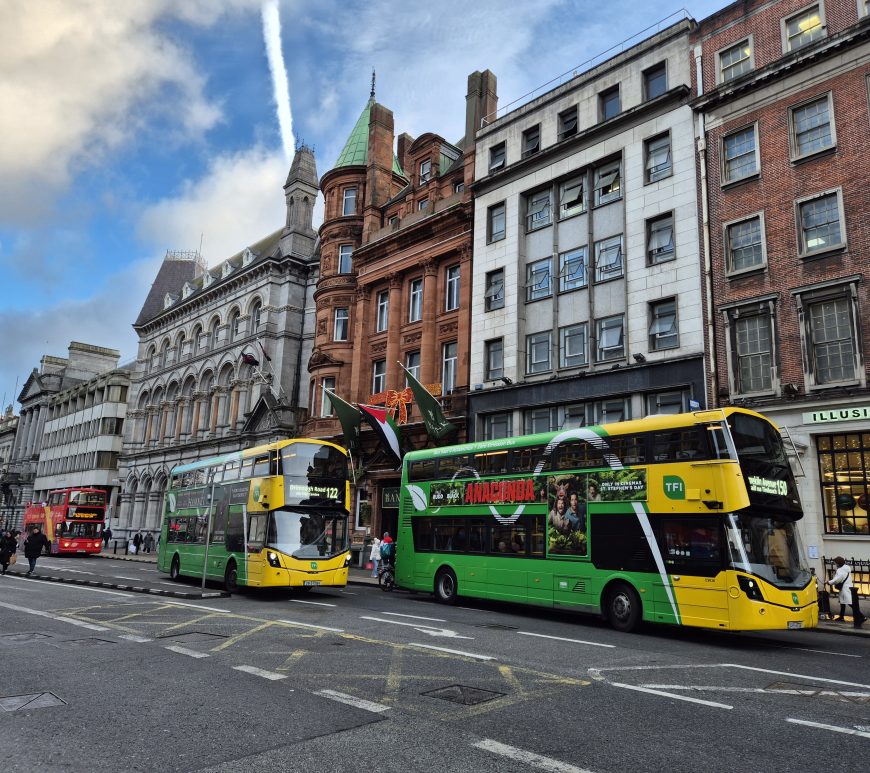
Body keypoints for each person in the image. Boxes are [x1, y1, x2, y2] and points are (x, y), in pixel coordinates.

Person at [827, 556, 865, 625]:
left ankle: (862, 617)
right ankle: (841, 617)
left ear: (838, 563)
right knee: (843, 603)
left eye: (836, 563)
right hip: (847, 587)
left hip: (844, 589)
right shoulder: (846, 568)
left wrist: (829, 582)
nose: (835, 564)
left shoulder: (841, 570)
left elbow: (837, 579)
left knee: (850, 603)